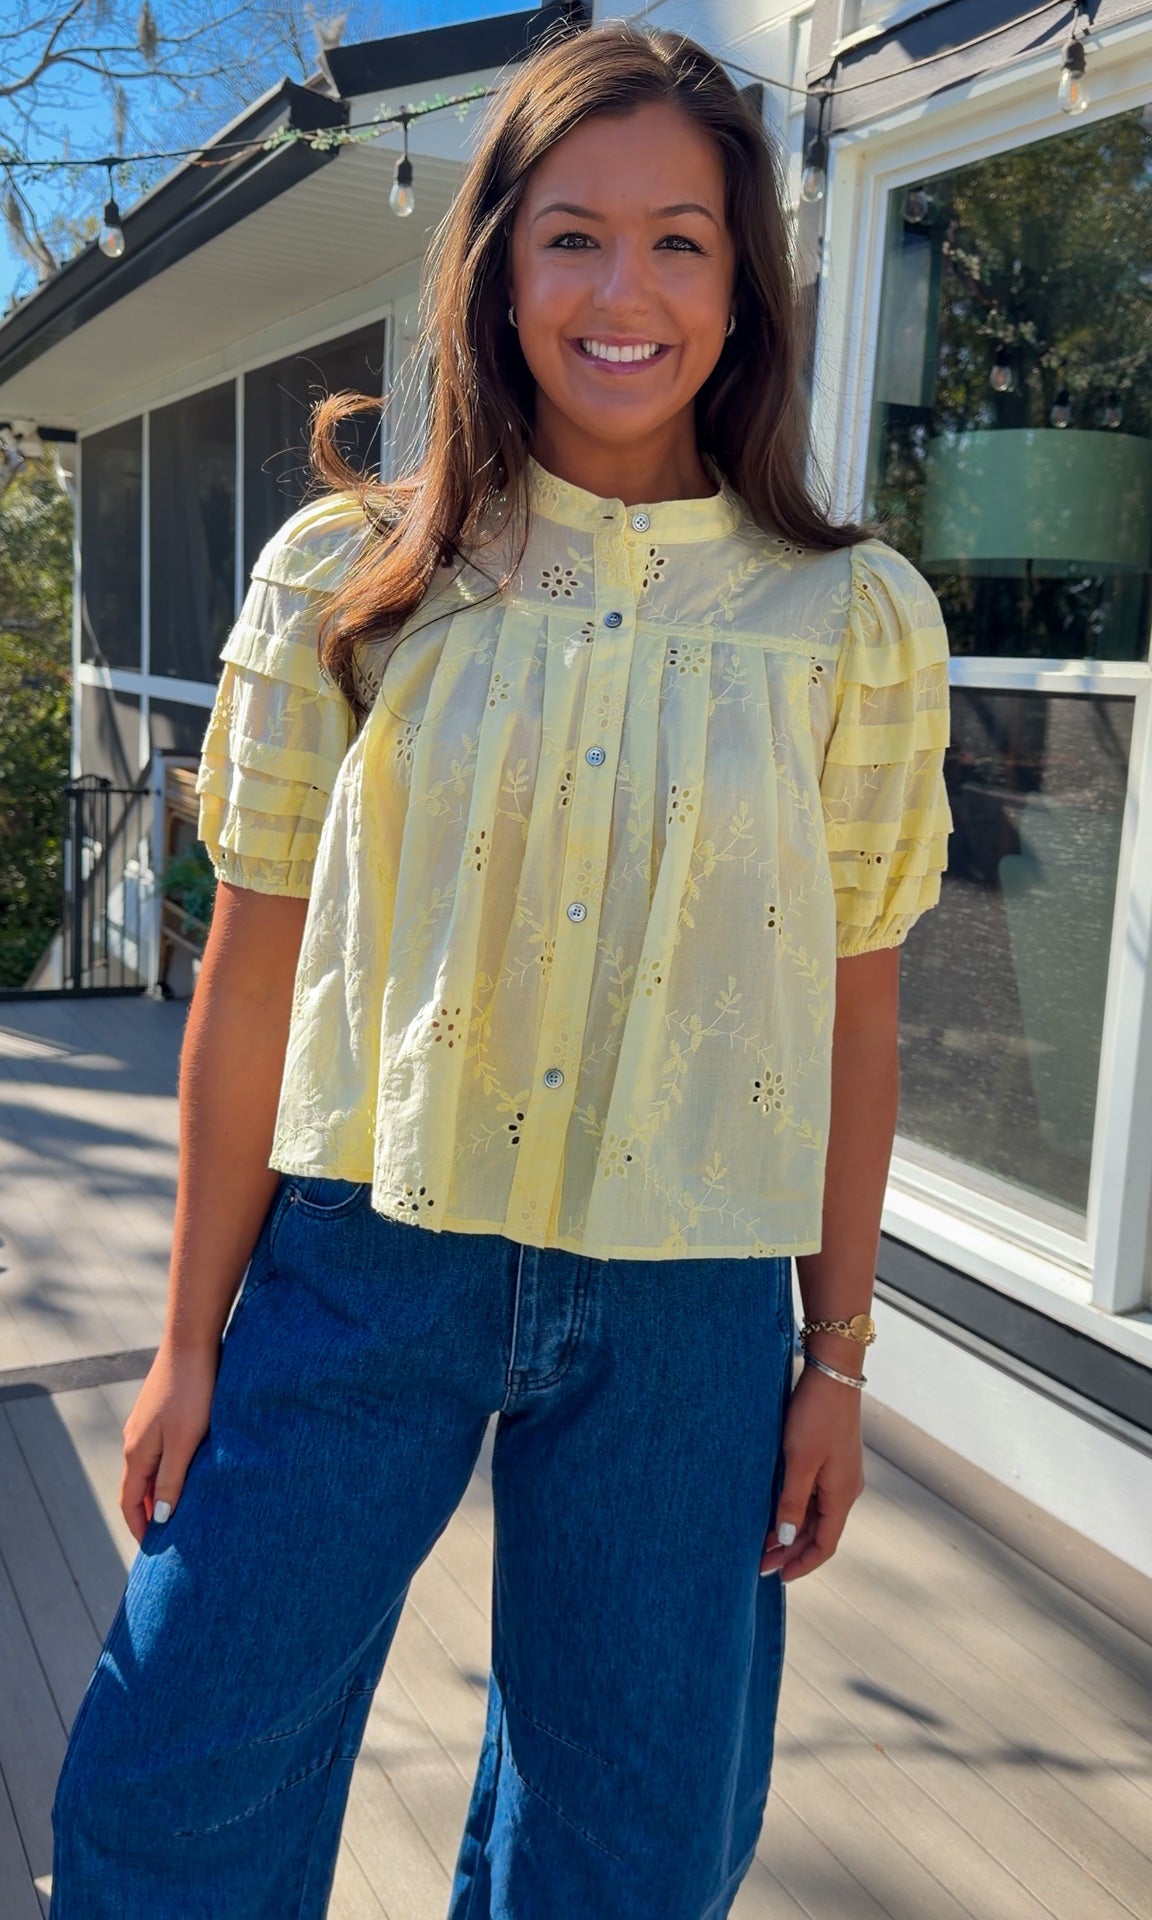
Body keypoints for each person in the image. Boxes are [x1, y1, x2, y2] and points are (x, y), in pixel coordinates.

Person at [49, 21, 952, 1920]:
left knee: (627, 1852)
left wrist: (836, 1361)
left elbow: (856, 1005)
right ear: (497, 265)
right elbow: (254, 976)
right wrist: (192, 1333)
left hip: (695, 1311)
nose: (625, 291)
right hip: (362, 1260)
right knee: (172, 1784)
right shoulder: (346, 583)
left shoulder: (854, 623)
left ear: (743, 283)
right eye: (573, 236)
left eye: (681, 240)